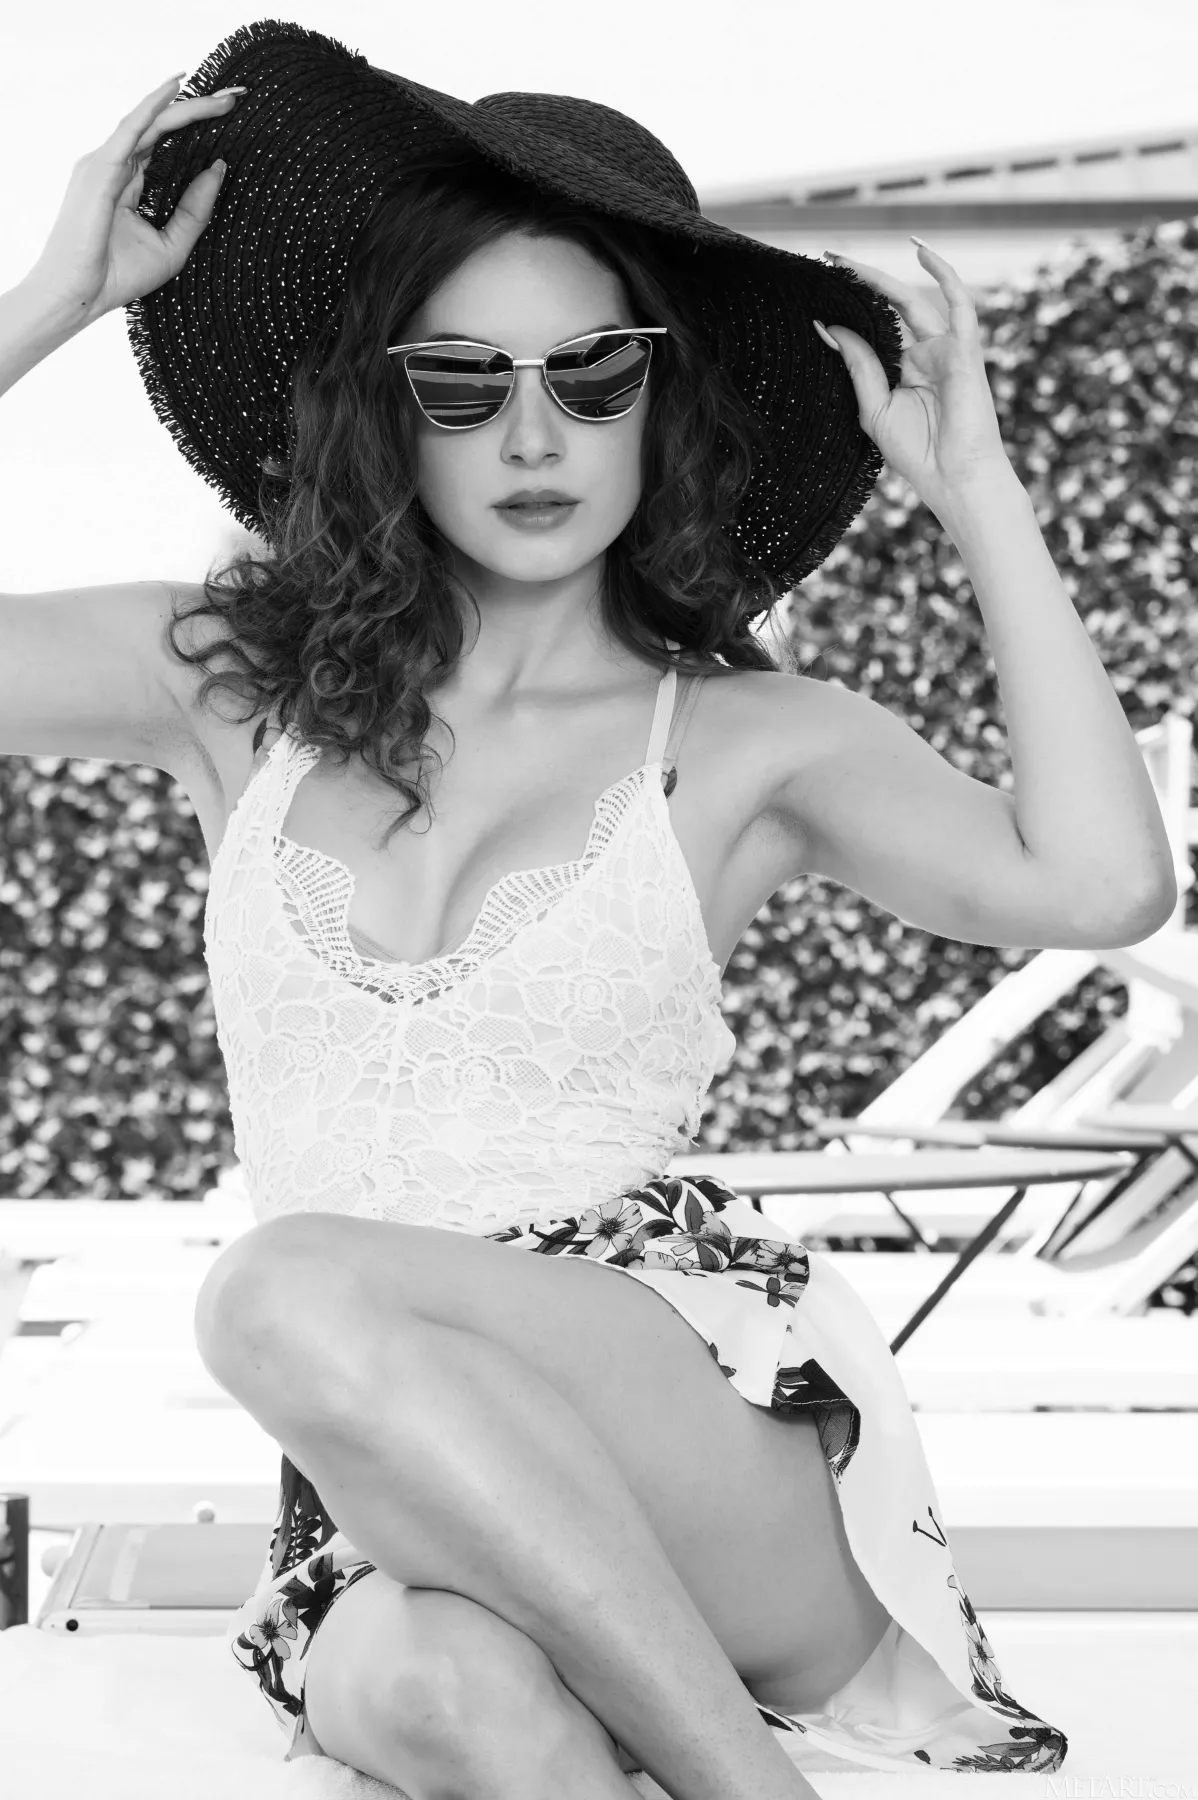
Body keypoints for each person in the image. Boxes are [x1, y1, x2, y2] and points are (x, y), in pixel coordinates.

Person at [1, 19, 1175, 1798]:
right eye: (461, 382)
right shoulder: (225, 687)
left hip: (699, 1422)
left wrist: (978, 492)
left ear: (661, 400)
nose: (533, 434)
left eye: (593, 374)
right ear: (382, 407)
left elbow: (1098, 885)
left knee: (275, 1285)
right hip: (394, 1495)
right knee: (453, 1700)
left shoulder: (753, 738)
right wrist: (51, 301)